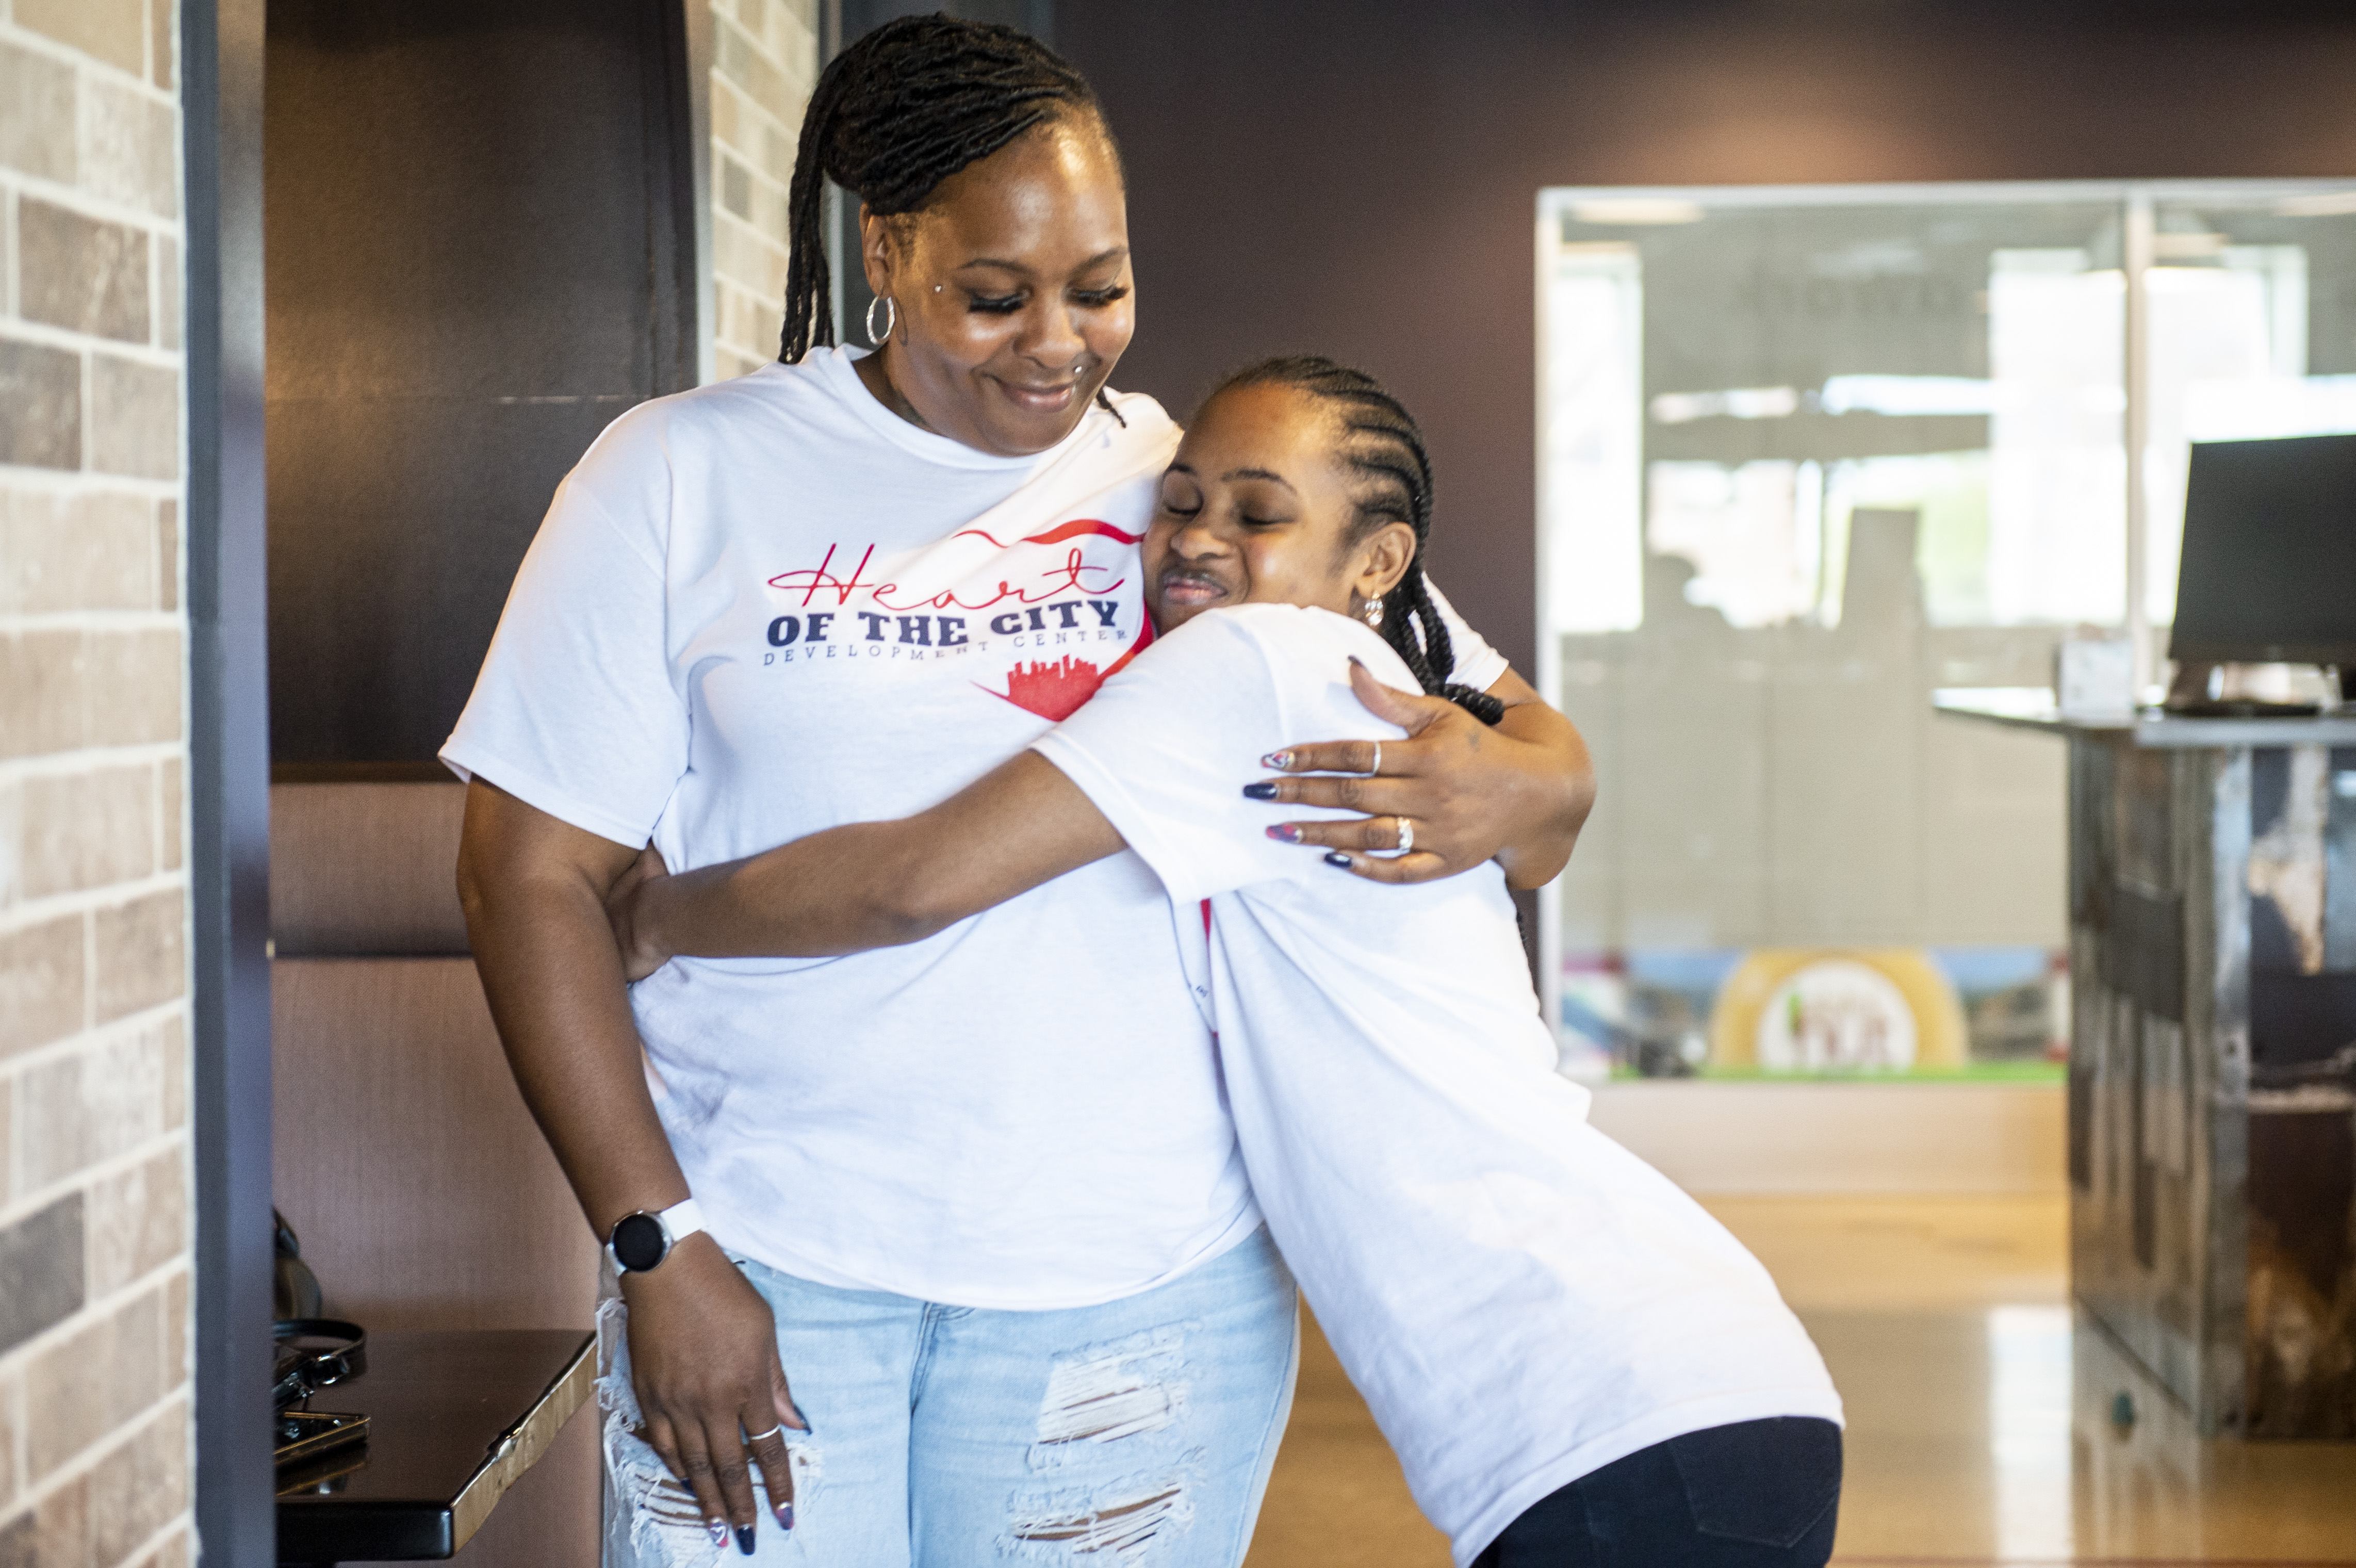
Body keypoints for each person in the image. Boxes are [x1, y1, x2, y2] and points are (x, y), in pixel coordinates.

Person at [446, 18, 1593, 1567]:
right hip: (768, 1261)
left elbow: (1538, 758)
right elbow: (525, 879)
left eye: (1100, 287)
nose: (1058, 343)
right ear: (889, 250)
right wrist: (657, 1245)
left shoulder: (1193, 490)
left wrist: (1504, 795)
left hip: (1142, 1282)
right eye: (996, 297)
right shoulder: (677, 475)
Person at [609, 358, 1846, 1568]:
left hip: (1621, 1424)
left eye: (1257, 513)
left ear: (1378, 562)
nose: (1196, 538)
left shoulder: (1256, 664)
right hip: (1681, 1399)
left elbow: (910, 882)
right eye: (1181, 502)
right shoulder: (1372, 679)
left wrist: (661, 918)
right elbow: (1543, 823)